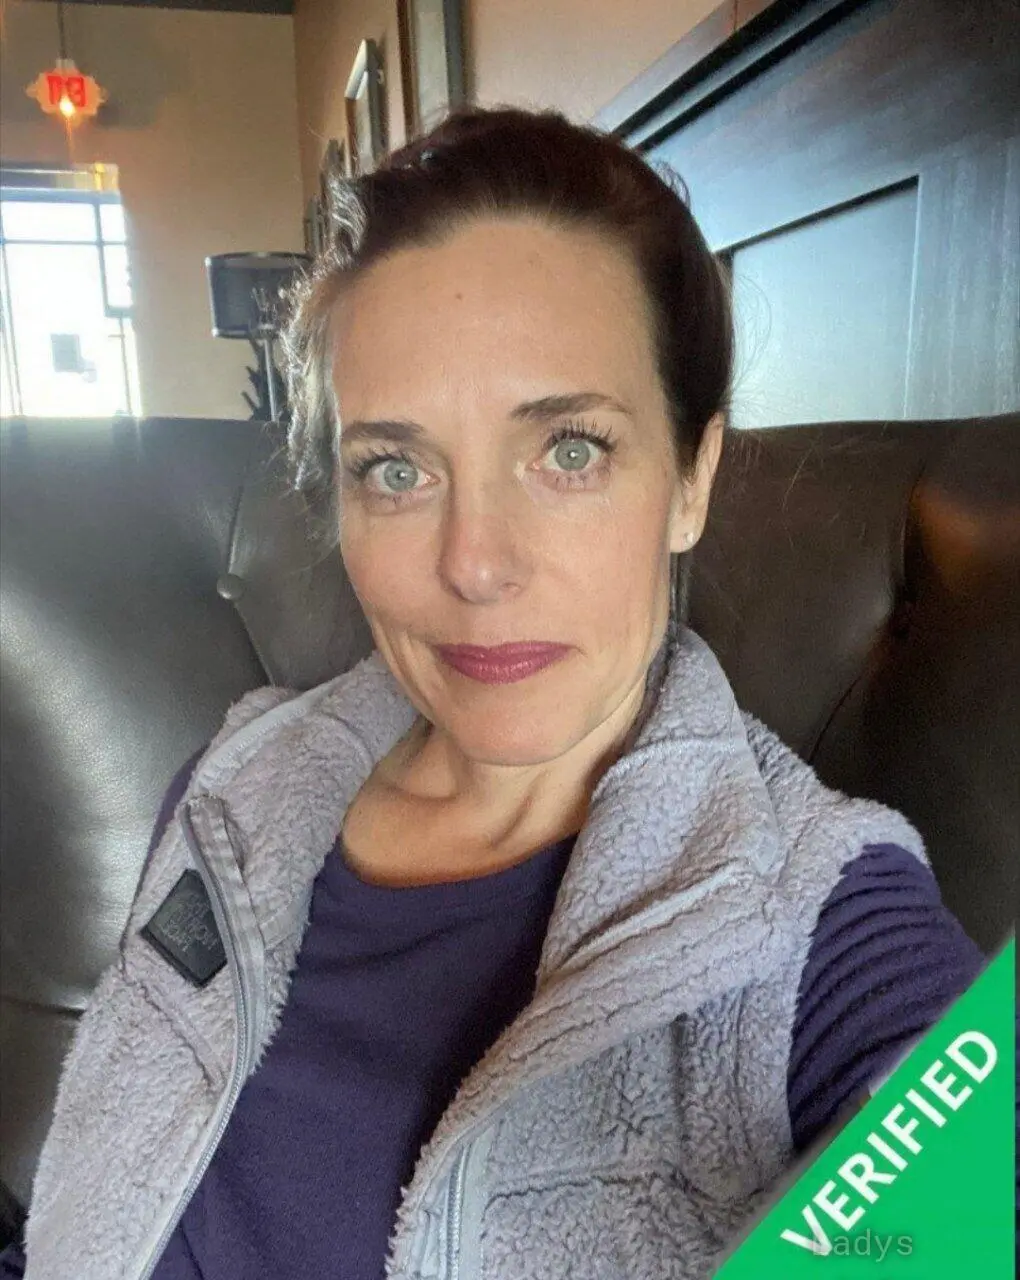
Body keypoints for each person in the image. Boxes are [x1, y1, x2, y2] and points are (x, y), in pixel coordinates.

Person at [3, 106, 983, 1280]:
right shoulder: (230, 792)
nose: (474, 562)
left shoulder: (813, 916)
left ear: (691, 478)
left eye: (569, 449)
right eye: (397, 468)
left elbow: (965, 1177)